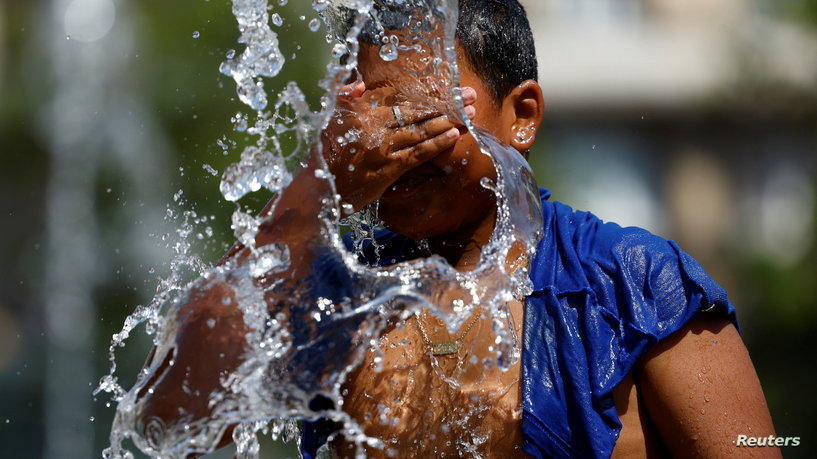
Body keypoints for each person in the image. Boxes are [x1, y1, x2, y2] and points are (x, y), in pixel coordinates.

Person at [133, 1, 779, 457]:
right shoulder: (338, 292)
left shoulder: (630, 289)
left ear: (520, 115)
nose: (391, 147)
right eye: (368, 118)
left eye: (417, 114)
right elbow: (165, 416)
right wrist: (311, 193)